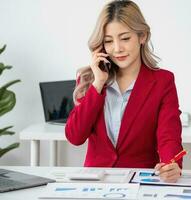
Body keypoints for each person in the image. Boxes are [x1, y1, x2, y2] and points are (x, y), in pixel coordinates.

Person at [65, 0, 183, 183]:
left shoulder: (163, 81)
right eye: (108, 41)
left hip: (140, 182)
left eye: (125, 38)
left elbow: (168, 135)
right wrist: (98, 84)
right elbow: (75, 136)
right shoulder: (91, 79)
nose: (117, 48)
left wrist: (171, 164)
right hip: (96, 183)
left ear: (142, 36)